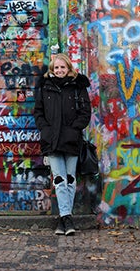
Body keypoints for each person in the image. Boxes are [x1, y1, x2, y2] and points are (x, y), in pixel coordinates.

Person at [34, 53, 91, 236]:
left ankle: (63, 218)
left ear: (68, 69)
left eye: (62, 67)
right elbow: (38, 112)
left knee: (70, 179)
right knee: (59, 180)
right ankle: (67, 217)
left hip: (71, 139)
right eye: (56, 68)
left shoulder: (77, 86)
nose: (59, 71)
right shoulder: (45, 87)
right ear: (52, 69)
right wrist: (45, 130)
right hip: (52, 140)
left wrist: (74, 129)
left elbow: (85, 112)